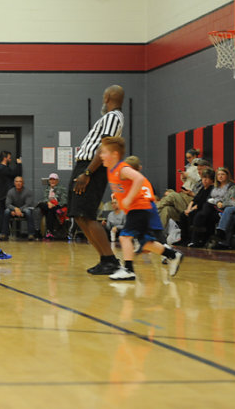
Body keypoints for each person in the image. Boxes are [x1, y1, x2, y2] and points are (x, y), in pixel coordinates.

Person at [98, 137, 182, 280]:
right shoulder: (110, 171)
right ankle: (173, 255)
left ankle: (129, 270)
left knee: (124, 237)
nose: (101, 155)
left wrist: (129, 198)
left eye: (104, 152)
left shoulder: (122, 168)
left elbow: (139, 179)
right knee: (146, 243)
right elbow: (123, 187)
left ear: (115, 154)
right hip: (137, 209)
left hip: (139, 207)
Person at [69, 84, 125, 275]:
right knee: (79, 216)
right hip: (85, 166)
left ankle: (110, 259)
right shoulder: (110, 117)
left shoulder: (112, 117)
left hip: (92, 168)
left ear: (107, 98)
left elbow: (104, 147)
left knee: (87, 215)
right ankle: (105, 259)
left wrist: (87, 173)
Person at [187, 166, 235, 247]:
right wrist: (216, 201)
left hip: (222, 208)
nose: (220, 176)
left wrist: (217, 201)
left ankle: (196, 237)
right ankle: (196, 239)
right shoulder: (215, 186)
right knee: (201, 214)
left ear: (227, 175)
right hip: (212, 207)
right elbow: (208, 198)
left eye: (222, 174)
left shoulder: (231, 186)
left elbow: (228, 199)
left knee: (203, 212)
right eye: (218, 174)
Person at [0, 176, 37, 240]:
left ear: (23, 183)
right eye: (16, 181)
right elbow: (8, 204)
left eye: (20, 181)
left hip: (24, 210)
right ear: (14, 183)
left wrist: (19, 210)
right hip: (13, 211)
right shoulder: (10, 192)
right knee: (6, 211)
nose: (18, 183)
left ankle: (31, 234)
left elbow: (28, 204)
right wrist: (14, 209)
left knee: (28, 212)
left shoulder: (28, 192)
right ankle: (4, 234)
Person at [37, 173, 68, 239]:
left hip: (57, 205)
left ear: (57, 181)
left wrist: (54, 204)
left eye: (54, 179)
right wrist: (49, 203)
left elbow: (64, 201)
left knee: (49, 211)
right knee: (42, 205)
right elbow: (45, 199)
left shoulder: (62, 189)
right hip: (49, 206)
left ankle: (49, 232)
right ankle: (55, 210)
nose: (52, 181)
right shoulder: (47, 189)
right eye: (51, 179)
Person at [0, 151, 21, 217]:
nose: (10, 159)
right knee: (4, 214)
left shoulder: (1, 168)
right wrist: (19, 164)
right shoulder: (2, 168)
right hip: (4, 194)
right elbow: (14, 174)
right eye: (9, 158)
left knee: (4, 214)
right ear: (5, 158)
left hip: (2, 194)